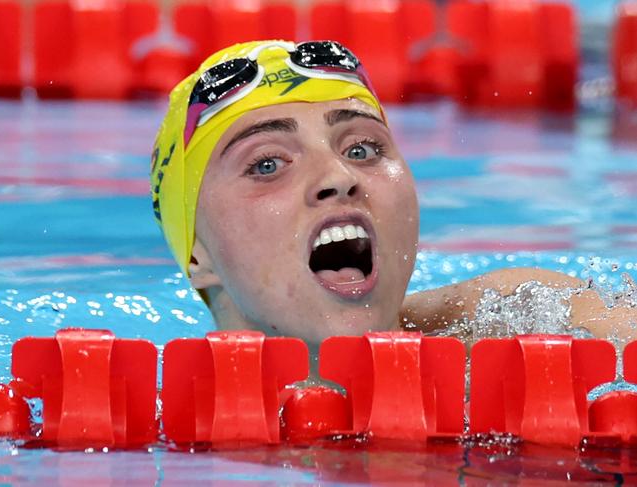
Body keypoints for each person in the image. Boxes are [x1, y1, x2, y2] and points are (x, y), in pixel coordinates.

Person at [151, 40, 635, 345]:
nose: (338, 176)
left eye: (362, 149)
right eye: (268, 164)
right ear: (197, 253)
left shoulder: (522, 320)